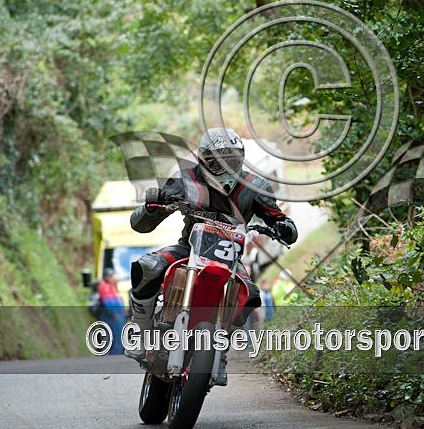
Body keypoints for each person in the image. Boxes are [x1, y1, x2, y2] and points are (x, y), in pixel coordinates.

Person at [124, 128, 298, 380]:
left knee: (250, 295)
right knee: (147, 265)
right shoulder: (185, 178)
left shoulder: (255, 185)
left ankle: (221, 347)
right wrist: (153, 206)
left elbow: (280, 219)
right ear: (204, 159)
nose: (226, 165)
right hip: (189, 248)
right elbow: (140, 224)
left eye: (232, 158)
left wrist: (285, 228)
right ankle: (140, 332)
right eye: (218, 159)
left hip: (230, 259)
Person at [97, 267, 126, 355]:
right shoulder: (105, 287)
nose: (115, 277)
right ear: (108, 277)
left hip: (117, 316)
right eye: (113, 276)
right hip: (112, 317)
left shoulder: (112, 286)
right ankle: (112, 358)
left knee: (118, 339)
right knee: (114, 340)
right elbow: (108, 303)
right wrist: (116, 315)